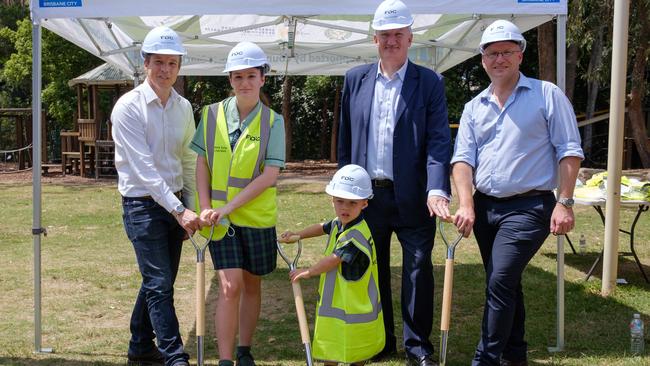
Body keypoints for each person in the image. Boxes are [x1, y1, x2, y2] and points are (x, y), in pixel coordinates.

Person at [449, 20, 584, 366]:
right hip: (485, 209)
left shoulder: (546, 94)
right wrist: (466, 203)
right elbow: (462, 161)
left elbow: (569, 150)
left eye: (507, 51)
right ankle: (515, 354)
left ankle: (486, 359)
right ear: (482, 60)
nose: (499, 59)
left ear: (520, 55)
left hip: (530, 207)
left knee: (500, 280)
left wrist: (564, 202)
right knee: (506, 284)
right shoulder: (473, 107)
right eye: (492, 53)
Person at [337, 0, 451, 364]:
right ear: (375, 39)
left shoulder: (430, 81)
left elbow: (438, 140)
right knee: (372, 270)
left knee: (418, 270)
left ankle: (418, 348)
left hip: (416, 197)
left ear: (410, 37)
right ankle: (381, 341)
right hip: (368, 198)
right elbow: (345, 139)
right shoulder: (355, 79)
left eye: (398, 34)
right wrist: (344, 192)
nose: (391, 41)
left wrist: (437, 188)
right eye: (385, 35)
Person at [191, 41, 285, 366]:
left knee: (251, 286)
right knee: (230, 287)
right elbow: (201, 163)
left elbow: (269, 176)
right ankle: (226, 360)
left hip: (256, 219)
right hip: (220, 223)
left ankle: (245, 348)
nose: (244, 82)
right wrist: (205, 206)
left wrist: (227, 207)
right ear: (229, 79)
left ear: (263, 78)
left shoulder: (274, 122)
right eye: (238, 76)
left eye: (251, 75)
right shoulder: (211, 114)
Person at [111, 26, 201, 366]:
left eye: (172, 63)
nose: (165, 70)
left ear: (179, 66)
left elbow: (189, 159)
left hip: (176, 204)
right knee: (160, 283)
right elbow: (145, 170)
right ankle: (173, 356)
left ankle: (139, 346)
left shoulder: (183, 107)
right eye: (158, 62)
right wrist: (181, 210)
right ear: (145, 63)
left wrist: (190, 206)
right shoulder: (128, 108)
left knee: (158, 280)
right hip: (142, 206)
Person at [279, 164, 385, 365]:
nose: (345, 208)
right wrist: (298, 235)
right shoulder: (341, 223)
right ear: (333, 200)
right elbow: (322, 227)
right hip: (337, 308)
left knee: (356, 354)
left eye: (352, 203)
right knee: (331, 351)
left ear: (364, 203)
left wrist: (309, 271)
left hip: (357, 310)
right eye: (340, 201)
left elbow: (334, 259)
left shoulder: (355, 236)